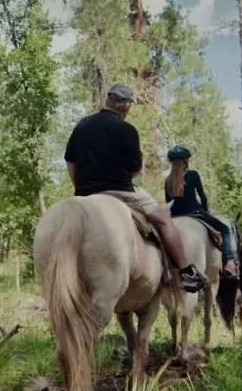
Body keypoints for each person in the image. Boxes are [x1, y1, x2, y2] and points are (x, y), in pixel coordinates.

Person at [65, 84, 208, 293]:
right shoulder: (127, 130)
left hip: (85, 193)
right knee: (164, 219)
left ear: (108, 102)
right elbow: (135, 169)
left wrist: (81, 188)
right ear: (125, 107)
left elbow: (71, 163)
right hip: (121, 191)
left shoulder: (82, 126)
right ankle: (188, 272)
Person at [163, 145, 238, 279]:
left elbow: (169, 202)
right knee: (225, 229)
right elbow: (202, 196)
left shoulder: (168, 180)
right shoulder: (192, 174)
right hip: (194, 212)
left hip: (175, 216)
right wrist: (205, 211)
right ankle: (230, 262)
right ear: (185, 162)